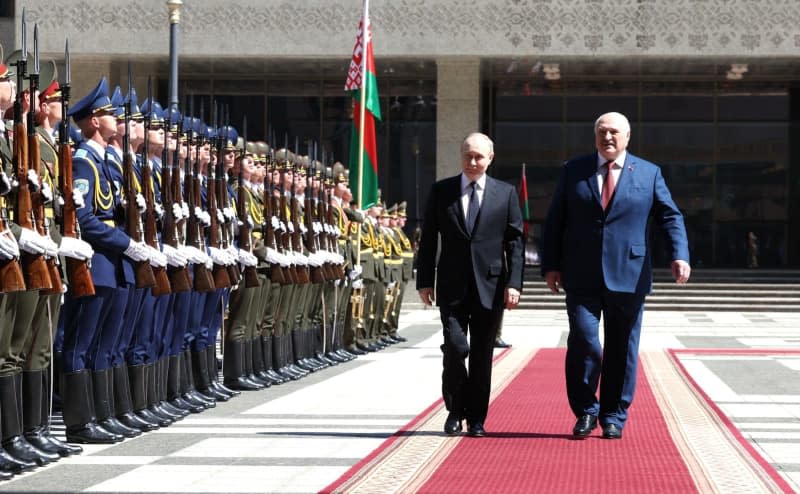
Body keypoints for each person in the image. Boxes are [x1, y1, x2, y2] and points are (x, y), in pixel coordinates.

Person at [541, 111, 691, 440]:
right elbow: (555, 220)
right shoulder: (574, 170)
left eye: (615, 133)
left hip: (629, 274)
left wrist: (679, 254)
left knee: (622, 347)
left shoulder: (649, 173)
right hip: (581, 274)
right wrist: (550, 264)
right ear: (595, 136)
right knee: (584, 340)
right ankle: (585, 410)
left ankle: (613, 415)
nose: (608, 138)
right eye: (602, 132)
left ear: (627, 137)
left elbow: (670, 216)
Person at [416, 132, 524, 437]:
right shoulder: (442, 191)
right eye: (468, 156)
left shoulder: (505, 193)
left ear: (490, 158)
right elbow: (428, 240)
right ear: (460, 156)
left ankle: (476, 418)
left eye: (479, 156)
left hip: (490, 285)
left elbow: (515, 242)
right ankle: (454, 409)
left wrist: (514, 284)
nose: (473, 162)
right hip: (451, 284)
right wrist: (424, 281)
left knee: (481, 355)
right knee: (455, 347)